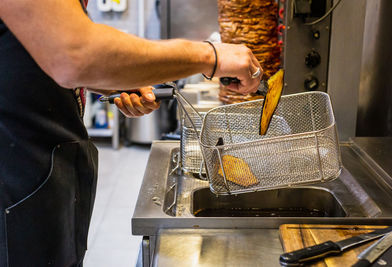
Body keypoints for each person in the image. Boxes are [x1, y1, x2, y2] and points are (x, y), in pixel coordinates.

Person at [0, 0, 263, 266]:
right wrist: (211, 57)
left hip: (42, 177)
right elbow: (74, 53)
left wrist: (113, 78)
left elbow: (38, 47)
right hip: (14, 184)